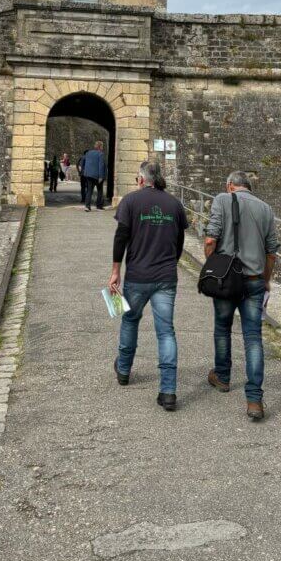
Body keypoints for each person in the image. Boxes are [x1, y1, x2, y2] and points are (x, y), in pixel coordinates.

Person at [108, 160, 188, 411]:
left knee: (130, 321)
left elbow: (121, 236)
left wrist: (115, 271)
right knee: (166, 332)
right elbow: (179, 241)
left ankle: (123, 369)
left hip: (138, 276)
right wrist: (169, 265)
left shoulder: (130, 202)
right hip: (166, 277)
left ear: (141, 179)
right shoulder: (174, 204)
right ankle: (168, 391)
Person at [204, 171, 279, 422]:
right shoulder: (266, 209)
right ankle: (255, 399)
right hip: (255, 280)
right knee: (253, 337)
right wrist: (266, 280)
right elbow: (271, 252)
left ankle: (223, 377)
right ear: (248, 187)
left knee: (222, 327)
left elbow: (210, 239)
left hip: (226, 279)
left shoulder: (222, 200)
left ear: (229, 185)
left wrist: (212, 266)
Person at [82, 141, 107, 211]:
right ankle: (99, 205)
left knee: (89, 191)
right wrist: (101, 176)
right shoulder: (100, 154)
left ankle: (87, 206)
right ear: (100, 147)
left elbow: (84, 162)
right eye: (102, 146)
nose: (102, 148)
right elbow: (101, 166)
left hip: (88, 175)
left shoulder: (88, 153)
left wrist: (85, 172)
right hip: (97, 176)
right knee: (100, 191)